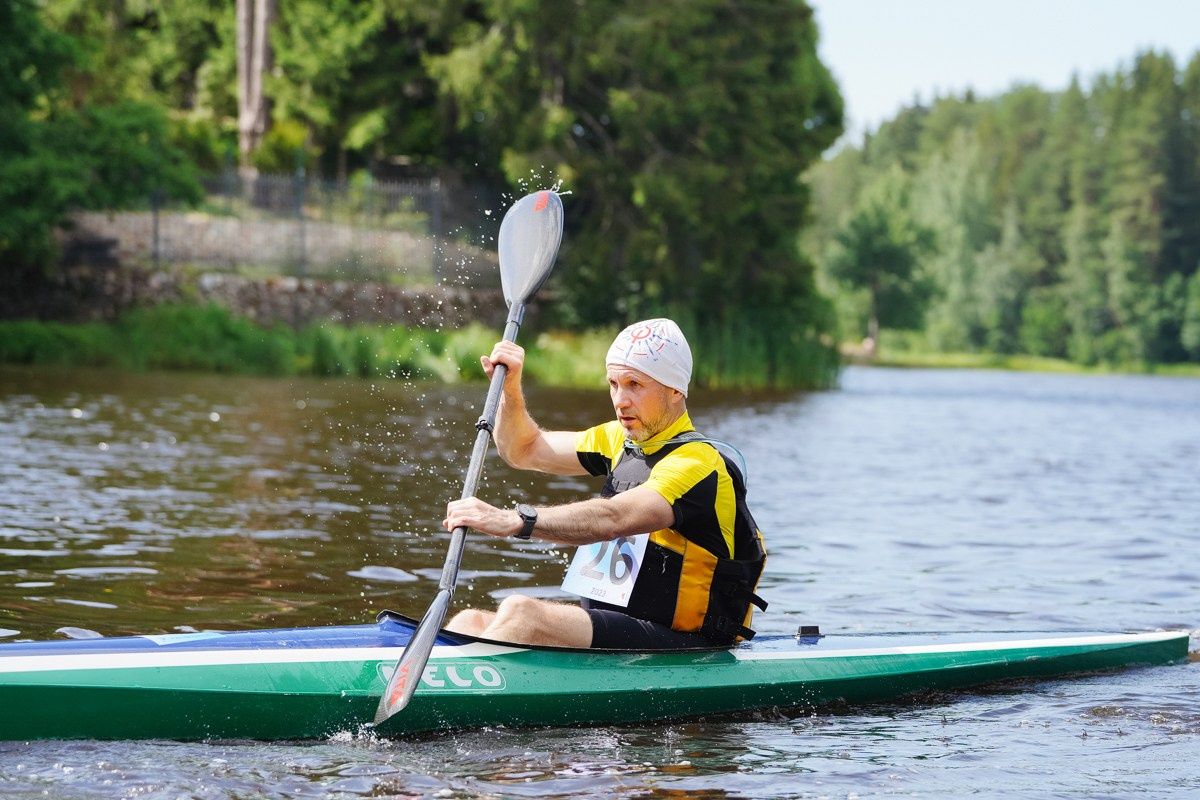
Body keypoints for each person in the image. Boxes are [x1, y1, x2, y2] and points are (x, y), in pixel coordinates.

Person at [443, 318, 767, 649]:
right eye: (613, 383)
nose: (620, 400)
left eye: (634, 385)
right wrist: (510, 391)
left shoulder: (697, 464)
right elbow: (523, 450)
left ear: (675, 390)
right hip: (618, 633)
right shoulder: (618, 438)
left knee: (521, 613)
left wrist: (517, 520)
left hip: (686, 644)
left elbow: (615, 518)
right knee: (469, 620)